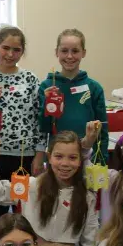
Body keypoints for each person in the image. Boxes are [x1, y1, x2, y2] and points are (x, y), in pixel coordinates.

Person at [0, 25, 45, 216]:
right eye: (6, 48)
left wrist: (40, 153)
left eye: (16, 50)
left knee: (23, 205)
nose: (10, 54)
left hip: (25, 153)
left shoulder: (30, 79)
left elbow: (40, 119)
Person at [39, 29, 109, 163]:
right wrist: (47, 104)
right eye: (64, 51)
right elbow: (44, 127)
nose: (69, 56)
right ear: (56, 52)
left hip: (88, 156)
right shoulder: (47, 86)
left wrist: (101, 159)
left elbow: (102, 129)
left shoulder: (94, 88)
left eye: (75, 51)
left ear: (84, 53)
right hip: (58, 158)